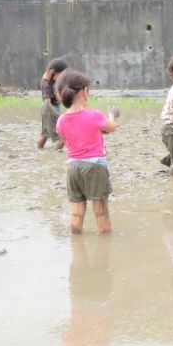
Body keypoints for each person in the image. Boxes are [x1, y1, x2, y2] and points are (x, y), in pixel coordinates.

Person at [55, 69, 118, 234]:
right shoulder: (94, 115)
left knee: (76, 212)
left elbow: (67, 136)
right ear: (84, 92)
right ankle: (104, 249)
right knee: (101, 212)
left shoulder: (61, 120)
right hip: (94, 167)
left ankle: (76, 245)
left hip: (73, 167)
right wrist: (111, 115)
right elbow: (111, 128)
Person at [38, 58, 69, 150]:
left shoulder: (51, 78)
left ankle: (39, 151)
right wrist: (58, 115)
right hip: (50, 109)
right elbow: (48, 103)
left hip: (49, 109)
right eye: (61, 75)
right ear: (52, 72)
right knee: (62, 137)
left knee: (45, 134)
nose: (62, 77)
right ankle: (56, 154)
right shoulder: (46, 84)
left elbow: (59, 100)